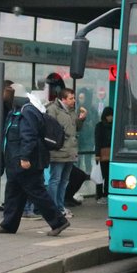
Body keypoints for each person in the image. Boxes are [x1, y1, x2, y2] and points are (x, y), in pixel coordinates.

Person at [0, 83, 70, 236]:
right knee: (13, 193)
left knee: (37, 193)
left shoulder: (27, 111)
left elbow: (29, 136)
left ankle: (59, 221)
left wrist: (25, 157)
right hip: (15, 162)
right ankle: (8, 224)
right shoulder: (16, 111)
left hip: (26, 162)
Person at [45, 75, 85, 218]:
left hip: (70, 151)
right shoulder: (53, 110)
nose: (73, 101)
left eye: (74, 98)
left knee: (64, 180)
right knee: (55, 179)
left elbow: (75, 129)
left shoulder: (72, 111)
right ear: (63, 99)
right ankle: (52, 207)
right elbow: (50, 131)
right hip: (59, 151)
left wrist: (81, 120)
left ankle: (60, 206)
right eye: (71, 98)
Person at [94, 106, 113, 202]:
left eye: (112, 116)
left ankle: (106, 193)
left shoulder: (114, 125)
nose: (110, 118)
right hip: (102, 153)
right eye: (109, 116)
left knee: (109, 175)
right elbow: (97, 140)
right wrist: (97, 154)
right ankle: (99, 194)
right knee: (100, 175)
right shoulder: (100, 126)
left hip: (111, 153)